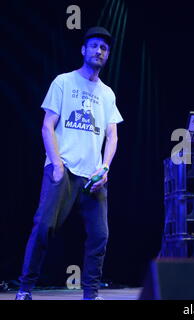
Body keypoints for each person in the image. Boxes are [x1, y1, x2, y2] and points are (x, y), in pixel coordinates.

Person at [15, 26, 123, 300]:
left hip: (93, 175)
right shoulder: (63, 82)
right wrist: (56, 164)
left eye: (104, 48)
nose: (99, 51)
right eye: (94, 46)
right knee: (43, 227)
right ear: (83, 50)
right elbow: (46, 126)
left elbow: (112, 135)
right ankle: (25, 288)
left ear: (107, 55)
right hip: (62, 168)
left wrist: (105, 168)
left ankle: (91, 294)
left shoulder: (108, 94)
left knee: (100, 236)